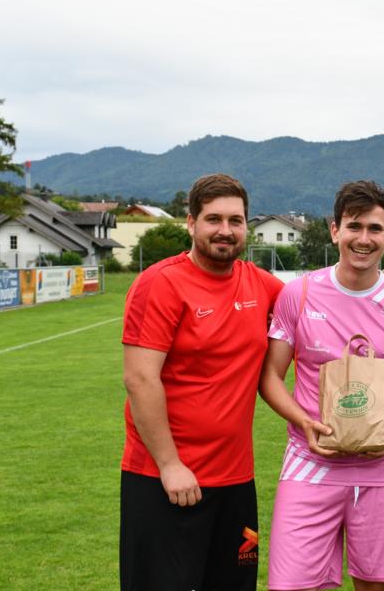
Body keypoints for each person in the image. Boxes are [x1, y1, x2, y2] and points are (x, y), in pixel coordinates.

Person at [260, 180, 384, 591]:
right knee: (293, 586)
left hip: (382, 467)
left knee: (375, 587)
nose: (364, 238)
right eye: (354, 226)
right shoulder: (299, 294)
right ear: (335, 230)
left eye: (375, 228)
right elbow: (270, 378)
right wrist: (304, 422)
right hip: (309, 463)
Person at [119, 173, 284, 591]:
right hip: (166, 479)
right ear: (191, 223)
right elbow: (140, 379)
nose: (225, 230)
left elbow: (323, 300)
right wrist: (170, 465)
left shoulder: (259, 283)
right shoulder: (160, 283)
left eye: (235, 220)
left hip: (236, 482)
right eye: (214, 219)